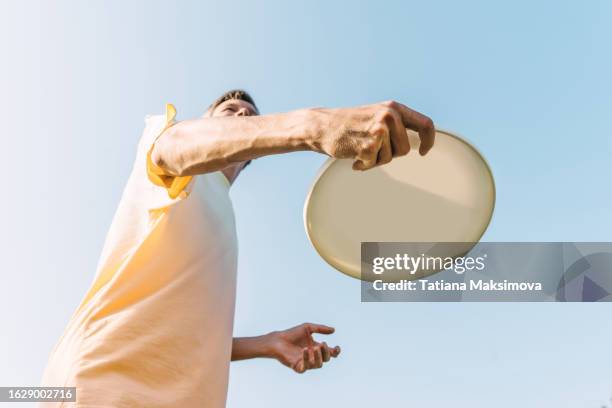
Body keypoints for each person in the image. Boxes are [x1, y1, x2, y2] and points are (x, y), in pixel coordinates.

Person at [40, 90, 435, 407]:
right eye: (230, 110)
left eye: (250, 113)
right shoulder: (174, 150)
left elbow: (169, 335)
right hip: (107, 388)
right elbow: (173, 145)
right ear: (205, 126)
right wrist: (313, 124)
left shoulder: (220, 209)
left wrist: (263, 344)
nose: (243, 115)